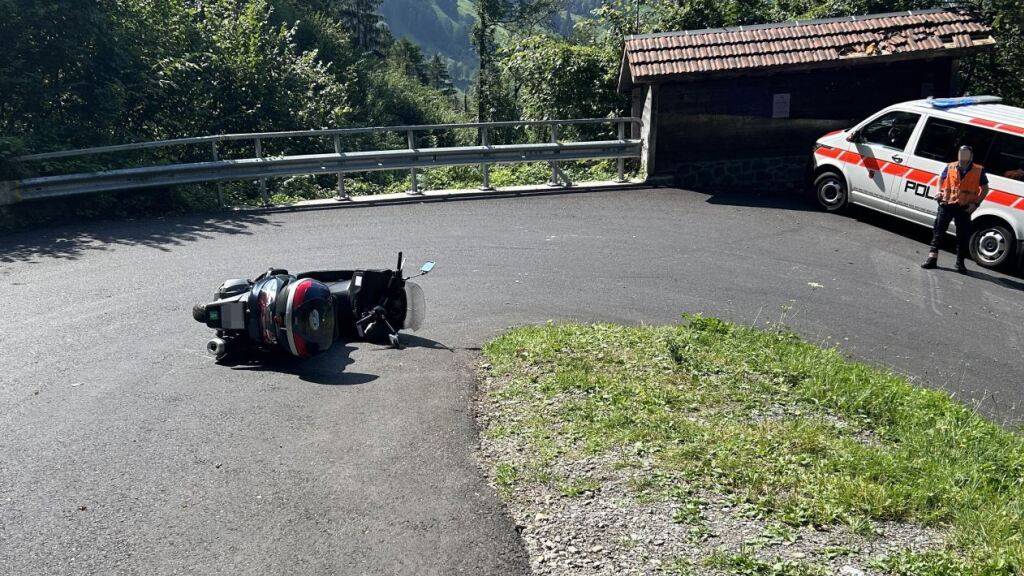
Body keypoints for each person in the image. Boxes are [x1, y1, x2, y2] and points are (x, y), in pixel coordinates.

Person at [921, 145, 989, 273]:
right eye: (960, 153)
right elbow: (940, 179)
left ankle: (960, 263)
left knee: (962, 236)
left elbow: (985, 189)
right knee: (938, 232)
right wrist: (939, 192)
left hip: (964, 207)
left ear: (971, 156)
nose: (962, 155)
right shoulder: (951, 166)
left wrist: (976, 205)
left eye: (965, 153)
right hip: (947, 203)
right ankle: (932, 259)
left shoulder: (978, 170)